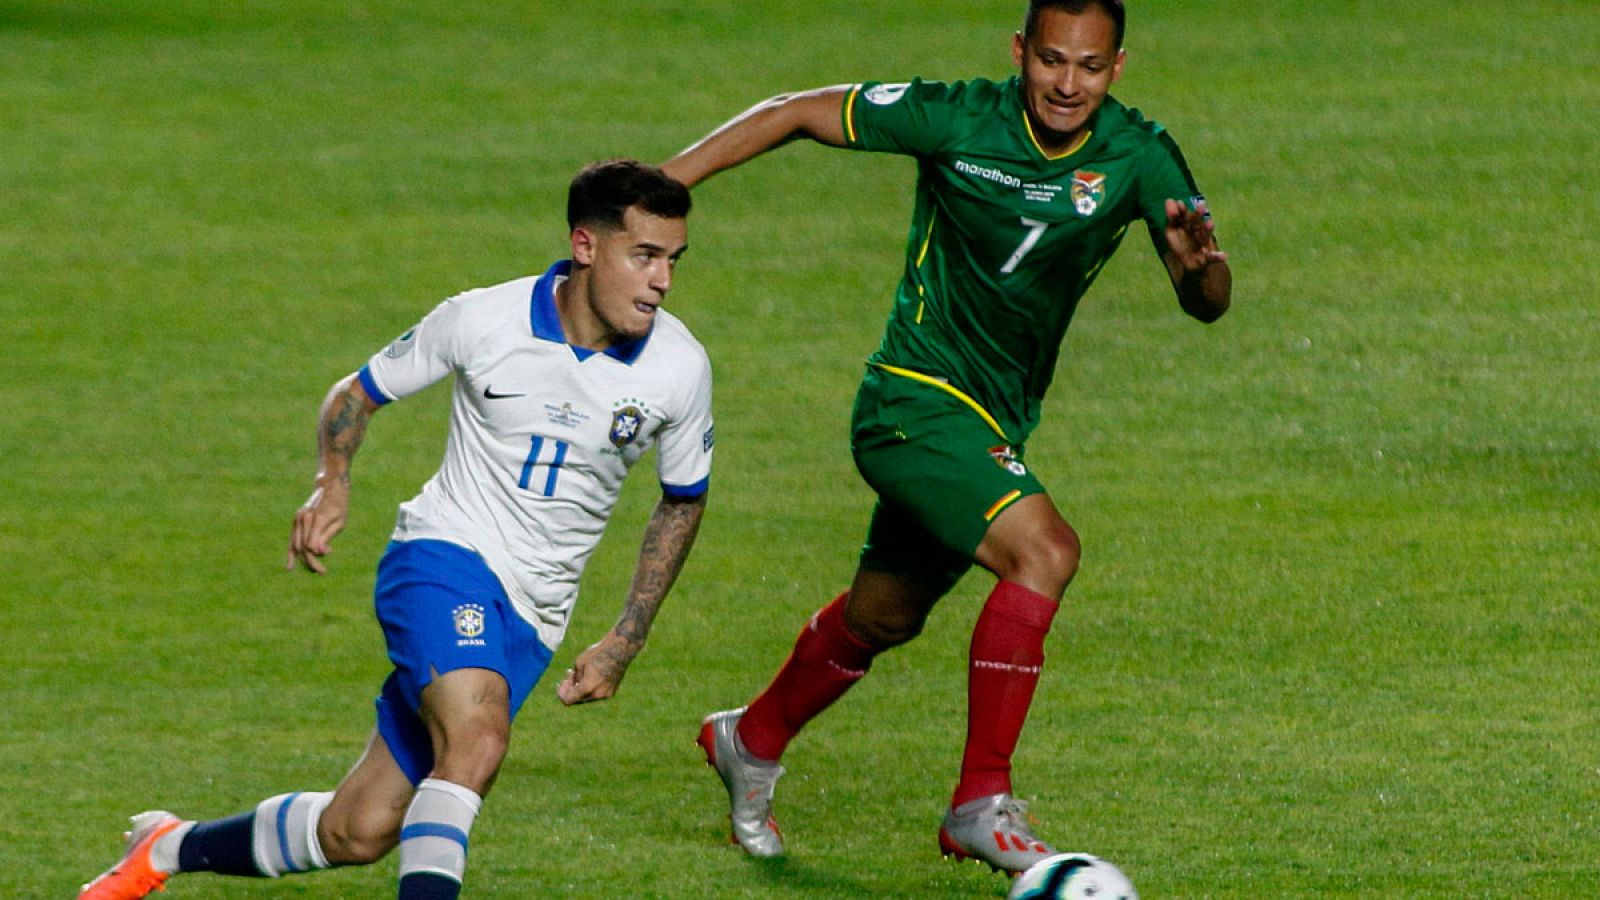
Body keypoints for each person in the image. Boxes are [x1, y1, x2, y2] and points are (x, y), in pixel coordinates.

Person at [661, 0, 1231, 876]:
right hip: (910, 402)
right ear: (1019, 53)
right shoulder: (958, 115)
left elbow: (1208, 302)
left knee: (882, 618)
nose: (1066, 84)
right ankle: (980, 803)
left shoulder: (1138, 154)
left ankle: (752, 736)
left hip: (993, 422)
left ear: (1117, 68)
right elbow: (796, 113)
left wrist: (1203, 272)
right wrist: (664, 182)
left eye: (1087, 66)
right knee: (1044, 551)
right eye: (1050, 61)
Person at [79, 160, 715, 900]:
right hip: (445, 558)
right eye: (644, 256)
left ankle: (167, 848)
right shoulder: (481, 320)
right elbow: (358, 394)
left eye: (673, 259)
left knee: (359, 830)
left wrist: (626, 637)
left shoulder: (679, 367)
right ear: (585, 246)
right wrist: (332, 482)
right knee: (476, 742)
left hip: (536, 614)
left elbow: (682, 500)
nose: (663, 280)